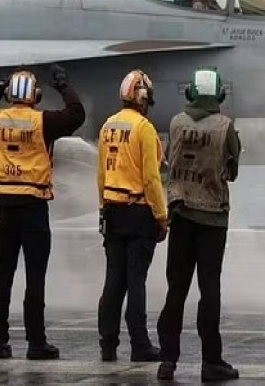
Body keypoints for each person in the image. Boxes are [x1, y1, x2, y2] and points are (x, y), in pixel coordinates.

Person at [0, 64, 85, 360]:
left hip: (5, 211)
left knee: (2, 279)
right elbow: (77, 114)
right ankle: (36, 343)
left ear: (10, 94)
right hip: (34, 209)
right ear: (35, 95)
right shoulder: (42, 122)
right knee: (35, 280)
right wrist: (63, 85)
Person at [156, 67, 241, 382]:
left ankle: (167, 360)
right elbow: (232, 172)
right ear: (219, 94)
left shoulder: (176, 123)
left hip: (180, 215)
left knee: (176, 289)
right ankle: (211, 362)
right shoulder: (225, 126)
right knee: (209, 291)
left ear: (190, 92)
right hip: (212, 220)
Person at [97, 69, 168, 362]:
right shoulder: (144, 128)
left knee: (114, 281)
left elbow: (101, 174)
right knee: (136, 280)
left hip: (112, 210)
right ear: (143, 96)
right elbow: (152, 178)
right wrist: (161, 216)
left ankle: (108, 344)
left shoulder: (107, 126)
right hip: (139, 212)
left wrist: (103, 208)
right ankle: (140, 345)